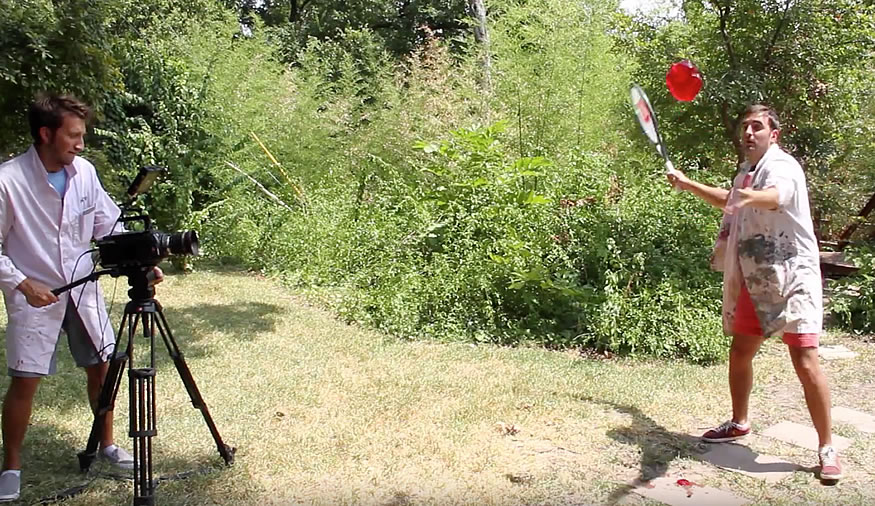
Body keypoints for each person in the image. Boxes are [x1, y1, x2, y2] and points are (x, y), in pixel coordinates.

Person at [666, 104, 841, 482]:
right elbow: (729, 200)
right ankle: (739, 422)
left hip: (791, 278)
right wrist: (686, 183)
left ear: (773, 135)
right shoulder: (746, 172)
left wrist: (749, 197)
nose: (748, 133)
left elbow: (779, 195)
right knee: (741, 351)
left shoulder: (782, 166)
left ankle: (827, 447)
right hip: (753, 275)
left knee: (805, 359)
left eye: (757, 127)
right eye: (745, 126)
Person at [0, 94, 159, 502]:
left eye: (82, 136)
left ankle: (105, 445)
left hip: (83, 288)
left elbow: (110, 225)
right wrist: (21, 283)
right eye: (73, 136)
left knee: (103, 370)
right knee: (25, 380)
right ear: (45, 133)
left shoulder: (84, 173)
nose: (80, 144)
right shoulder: (9, 180)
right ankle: (11, 467)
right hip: (37, 295)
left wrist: (142, 260)